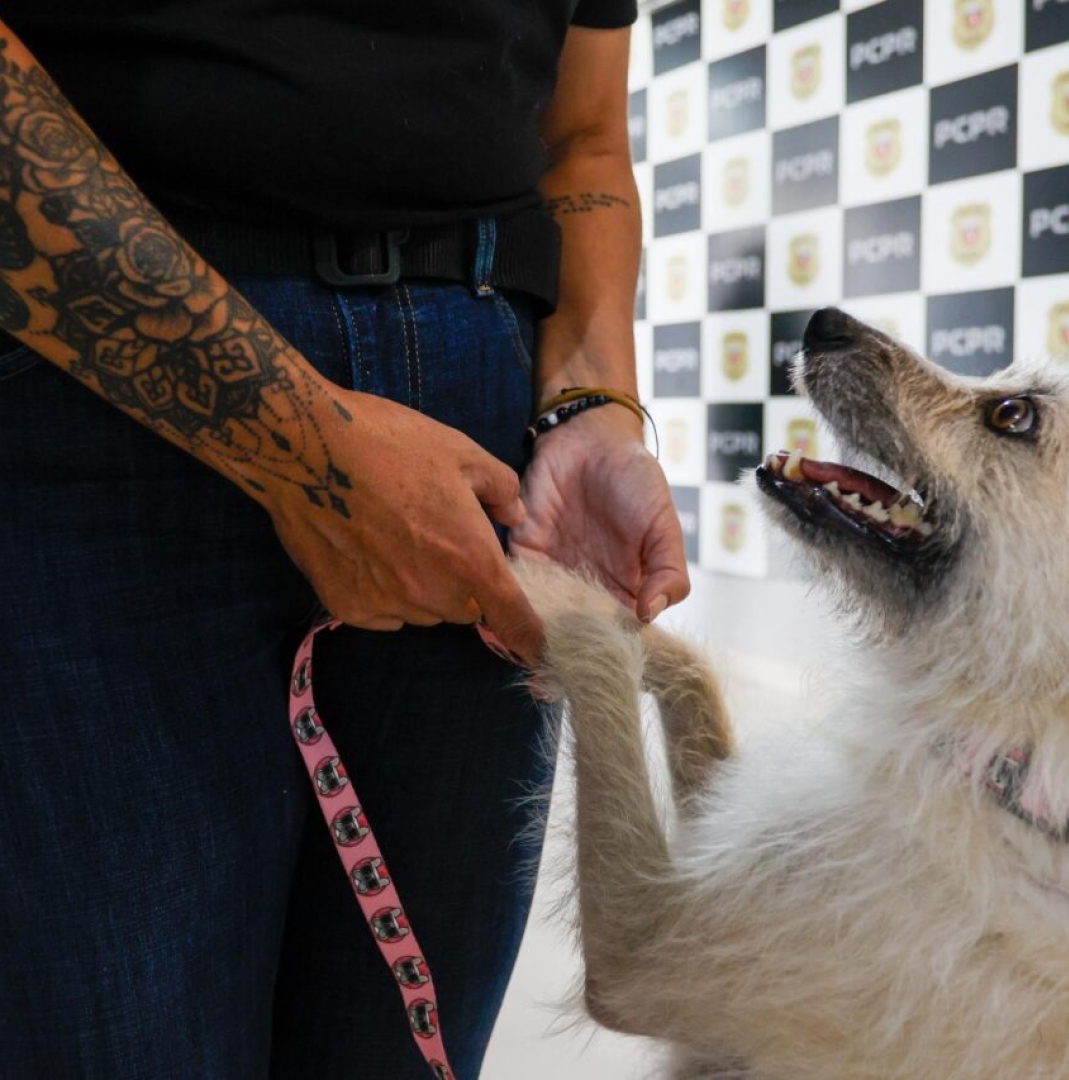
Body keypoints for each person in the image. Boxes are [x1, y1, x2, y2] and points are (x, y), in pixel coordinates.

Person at [0, 3, 689, 1077]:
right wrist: (295, 442)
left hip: (482, 427)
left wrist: (593, 402)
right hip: (96, 383)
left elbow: (584, 133)